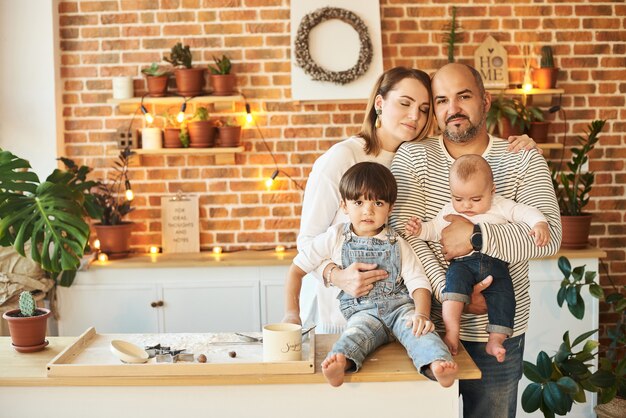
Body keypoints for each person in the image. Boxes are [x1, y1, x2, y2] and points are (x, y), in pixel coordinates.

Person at [296, 66, 539, 334]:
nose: (415, 116)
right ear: (380, 103)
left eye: (424, 109)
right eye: (405, 103)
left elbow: (405, 239)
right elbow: (307, 241)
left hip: (397, 318)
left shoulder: (412, 157)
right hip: (337, 316)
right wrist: (337, 275)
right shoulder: (342, 158)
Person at [389, 63, 562, 418]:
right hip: (429, 328)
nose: (452, 108)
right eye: (441, 100)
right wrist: (453, 292)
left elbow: (548, 238)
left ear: (485, 101)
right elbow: (403, 235)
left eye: (463, 96)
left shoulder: (521, 157)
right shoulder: (414, 157)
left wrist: (477, 236)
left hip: (499, 330)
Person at [284, 161, 457, 388]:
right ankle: (341, 363)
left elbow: (419, 283)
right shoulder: (335, 237)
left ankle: (437, 365)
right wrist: (291, 314)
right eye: (358, 202)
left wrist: (422, 315)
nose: (368, 210)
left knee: (420, 332)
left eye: (377, 202)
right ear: (344, 206)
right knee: (355, 335)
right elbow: (296, 270)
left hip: (400, 309)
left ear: (390, 208)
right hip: (363, 312)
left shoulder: (398, 242)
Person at [405, 154, 550, 363]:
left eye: (475, 199)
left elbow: (524, 212)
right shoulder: (448, 210)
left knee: (504, 297)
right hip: (460, 265)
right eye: (458, 198)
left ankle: (496, 340)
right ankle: (452, 332)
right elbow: (434, 230)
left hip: (496, 266)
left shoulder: (500, 205)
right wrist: (420, 230)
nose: (466, 206)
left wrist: (539, 224)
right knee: (452, 290)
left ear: (492, 191)